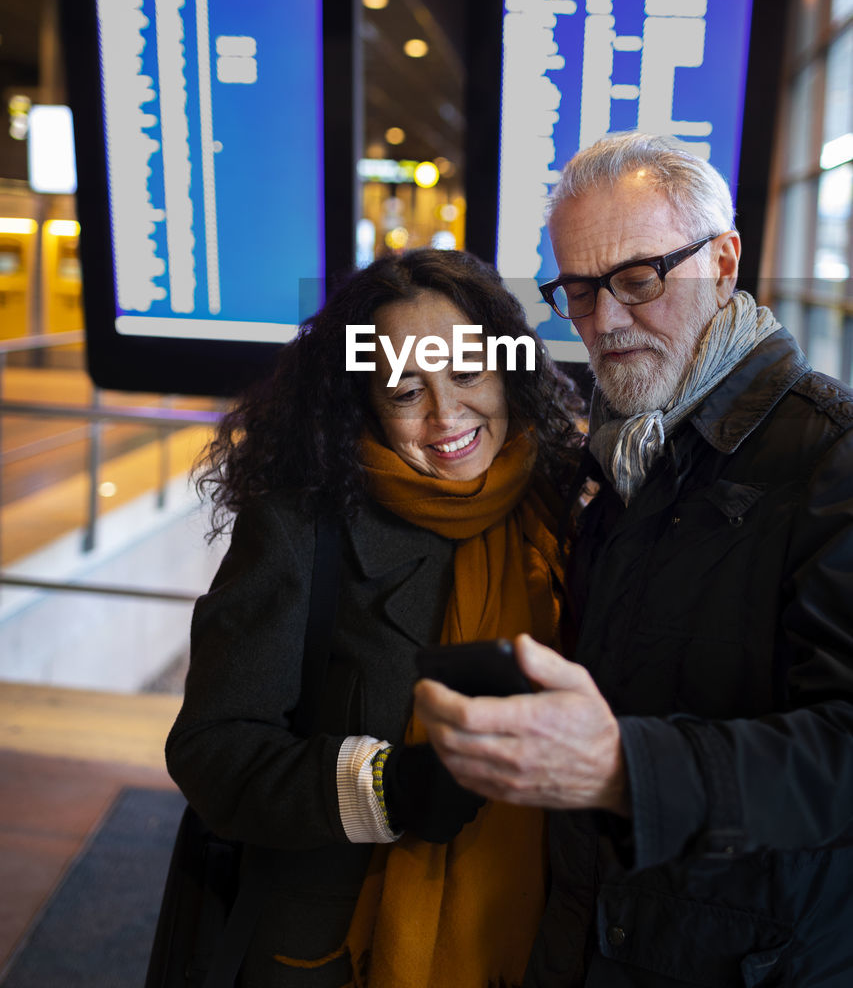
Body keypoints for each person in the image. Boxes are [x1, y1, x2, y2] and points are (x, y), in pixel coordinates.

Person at [415, 132, 853, 987]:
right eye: (576, 291)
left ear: (723, 261)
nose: (605, 321)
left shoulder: (830, 461)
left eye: (639, 278)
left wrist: (626, 767)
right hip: (589, 931)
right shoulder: (615, 450)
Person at [165, 247, 583, 988]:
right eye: (404, 392)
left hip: (537, 933)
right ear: (361, 401)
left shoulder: (566, 505)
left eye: (466, 372)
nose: (446, 415)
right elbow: (211, 750)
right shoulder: (302, 527)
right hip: (343, 946)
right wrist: (379, 788)